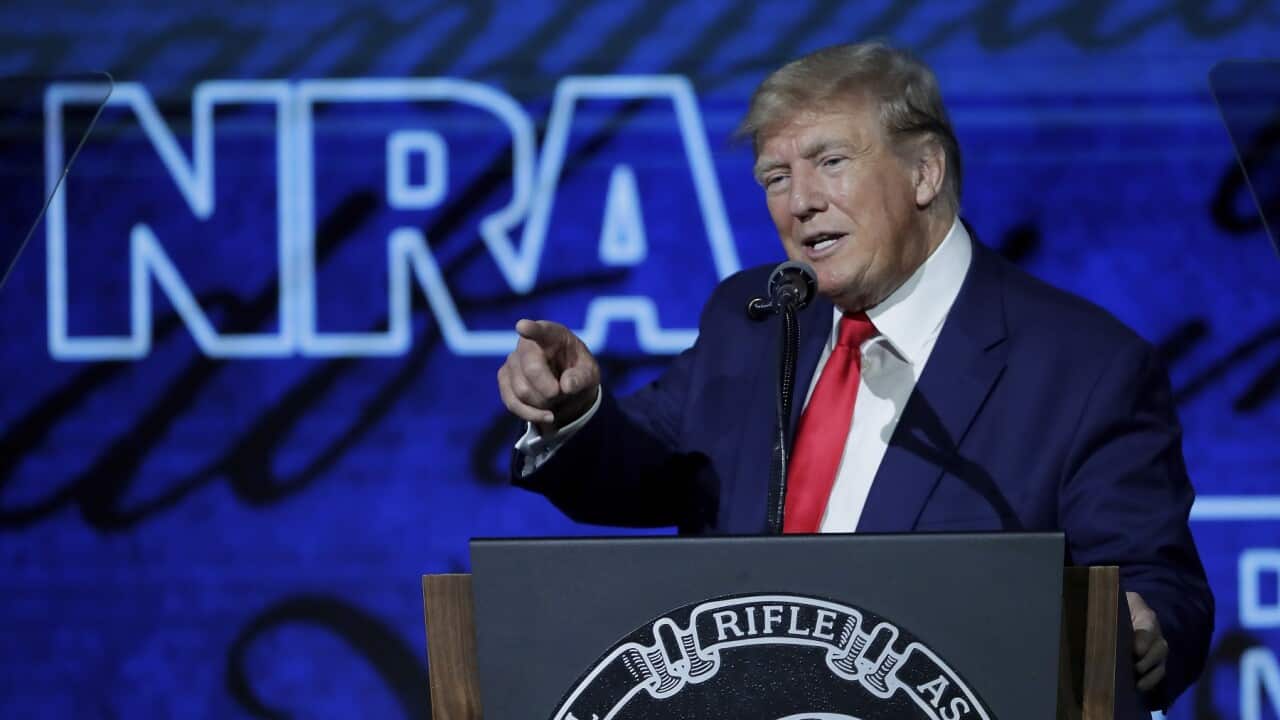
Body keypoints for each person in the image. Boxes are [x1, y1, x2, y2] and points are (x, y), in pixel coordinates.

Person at [496, 41, 1212, 706]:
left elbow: (1159, 586)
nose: (799, 201)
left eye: (830, 162)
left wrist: (1142, 637)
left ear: (924, 172)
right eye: (776, 177)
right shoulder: (753, 320)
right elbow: (643, 467)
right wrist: (574, 414)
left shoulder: (1082, 367)